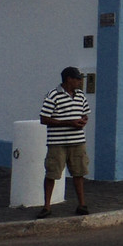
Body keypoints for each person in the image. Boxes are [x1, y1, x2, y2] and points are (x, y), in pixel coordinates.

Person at [37, 66, 91, 218]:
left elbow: (85, 113)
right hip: (57, 143)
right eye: (78, 79)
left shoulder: (80, 95)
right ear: (69, 79)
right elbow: (44, 119)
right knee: (52, 173)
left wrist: (83, 121)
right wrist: (69, 123)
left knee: (79, 173)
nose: (80, 82)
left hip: (78, 142)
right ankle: (47, 206)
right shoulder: (53, 95)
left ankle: (82, 204)